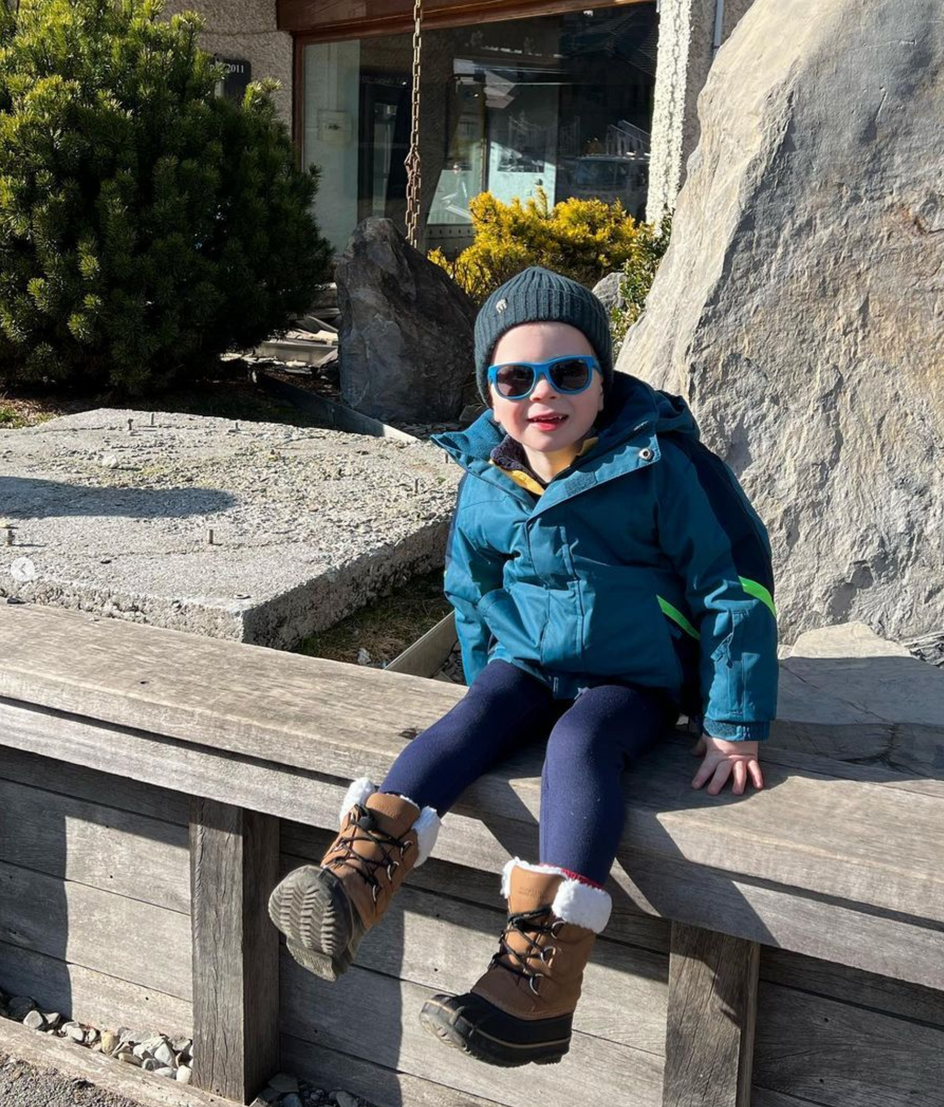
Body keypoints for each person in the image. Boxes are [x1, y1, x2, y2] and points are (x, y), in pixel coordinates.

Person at [267, 266, 778, 1067]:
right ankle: (356, 877)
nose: (544, 392)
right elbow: (471, 589)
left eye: (568, 372)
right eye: (516, 378)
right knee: (472, 716)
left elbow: (732, 587)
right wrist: (487, 680)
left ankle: (539, 978)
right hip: (531, 661)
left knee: (579, 744)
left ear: (602, 382)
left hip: (633, 676)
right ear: (490, 392)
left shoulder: (658, 465)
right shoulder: (488, 477)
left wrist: (733, 718)